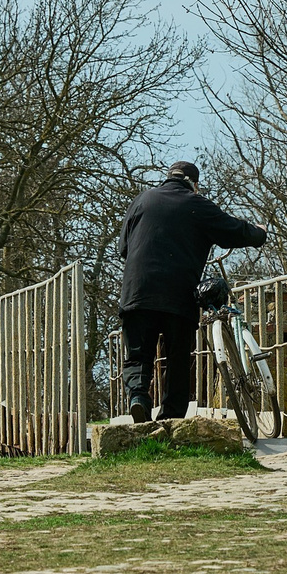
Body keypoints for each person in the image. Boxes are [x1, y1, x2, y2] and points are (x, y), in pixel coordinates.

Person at [117, 160, 266, 423]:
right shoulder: (197, 204)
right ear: (194, 184)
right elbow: (233, 230)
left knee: (138, 355)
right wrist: (259, 234)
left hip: (137, 292)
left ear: (168, 178)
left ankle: (138, 397)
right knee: (177, 359)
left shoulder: (142, 200)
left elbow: (123, 249)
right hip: (177, 295)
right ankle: (171, 419)